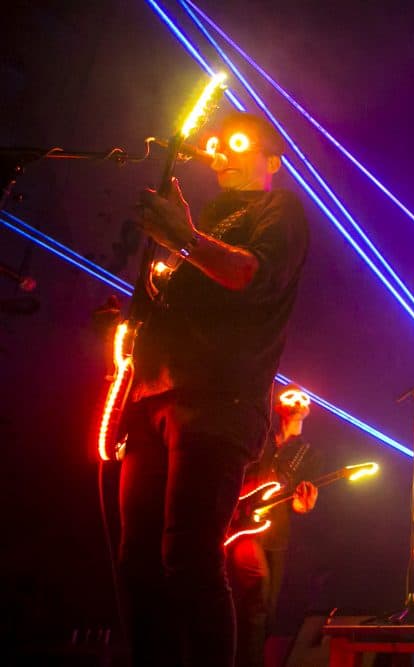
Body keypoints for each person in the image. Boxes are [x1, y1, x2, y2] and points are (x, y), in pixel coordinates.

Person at [118, 111, 309, 667]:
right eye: (215, 144)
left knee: (189, 556)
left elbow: (249, 274)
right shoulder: (209, 217)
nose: (220, 152)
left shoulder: (281, 210)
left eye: (238, 144)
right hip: (154, 396)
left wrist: (184, 238)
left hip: (218, 402)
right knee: (138, 562)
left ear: (272, 160)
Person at [227, 385, 320, 667]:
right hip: (243, 530)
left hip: (277, 535)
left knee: (266, 609)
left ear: (308, 410)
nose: (297, 401)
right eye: (289, 396)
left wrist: (305, 504)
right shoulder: (259, 438)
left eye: (303, 398)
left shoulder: (308, 454)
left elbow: (301, 503)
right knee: (257, 591)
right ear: (278, 406)